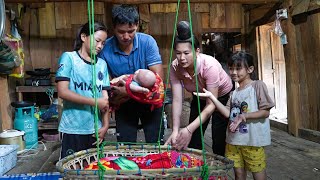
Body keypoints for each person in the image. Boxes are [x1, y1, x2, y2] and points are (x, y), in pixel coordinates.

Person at [194, 51, 275, 180]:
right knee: (238, 174)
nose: (233, 72)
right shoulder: (234, 93)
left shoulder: (257, 86)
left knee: (258, 174)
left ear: (250, 69)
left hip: (252, 142)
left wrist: (244, 116)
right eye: (231, 68)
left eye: (238, 68)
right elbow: (228, 114)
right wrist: (212, 98)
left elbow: (265, 111)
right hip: (233, 142)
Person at [165, 21, 233, 156]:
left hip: (220, 96)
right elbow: (177, 100)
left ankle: (218, 173)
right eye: (178, 53)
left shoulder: (209, 66)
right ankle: (196, 172)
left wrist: (188, 129)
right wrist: (175, 130)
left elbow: (211, 105)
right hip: (199, 94)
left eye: (186, 53)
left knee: (218, 139)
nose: (182, 58)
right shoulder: (175, 66)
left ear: (197, 51)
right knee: (194, 137)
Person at [98, 4, 164, 143]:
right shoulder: (105, 49)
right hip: (123, 104)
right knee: (126, 146)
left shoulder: (148, 42)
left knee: (156, 144)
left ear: (137, 25)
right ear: (113, 27)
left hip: (149, 101)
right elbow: (107, 86)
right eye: (121, 31)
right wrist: (119, 94)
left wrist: (127, 91)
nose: (126, 36)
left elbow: (158, 80)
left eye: (131, 31)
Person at [56, 22, 110, 159]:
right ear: (84, 37)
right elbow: (63, 92)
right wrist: (94, 102)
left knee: (95, 170)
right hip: (73, 128)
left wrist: (105, 125)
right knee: (71, 170)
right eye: (97, 41)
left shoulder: (102, 64)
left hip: (95, 130)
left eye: (103, 43)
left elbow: (105, 100)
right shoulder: (69, 58)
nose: (99, 46)